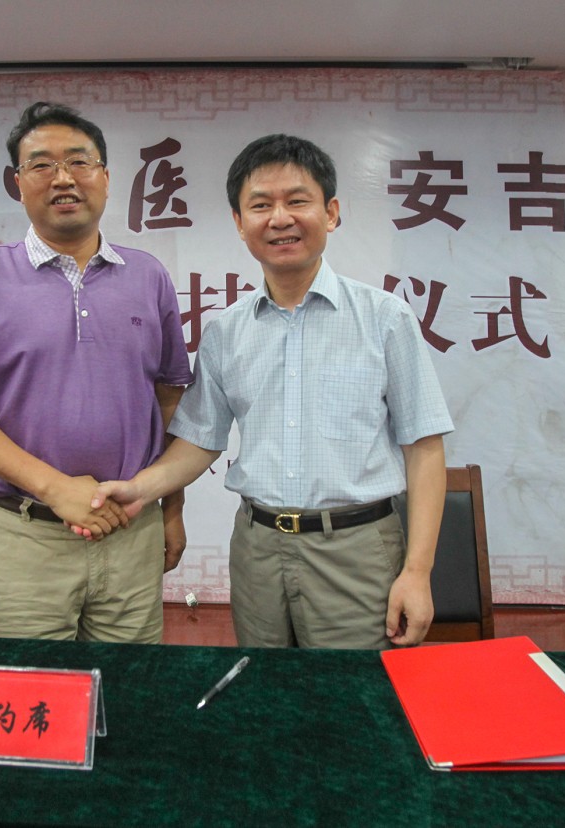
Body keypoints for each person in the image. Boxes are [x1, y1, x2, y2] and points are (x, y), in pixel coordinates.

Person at [86, 134, 453, 649]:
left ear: (331, 213)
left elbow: (425, 449)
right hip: (258, 551)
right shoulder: (225, 332)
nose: (280, 218)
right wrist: (140, 489)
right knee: (265, 690)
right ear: (240, 223)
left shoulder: (385, 319)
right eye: (260, 205)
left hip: (356, 552)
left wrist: (417, 572)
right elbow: (198, 442)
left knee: (357, 692)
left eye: (297, 201)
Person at [0, 101, 194, 643]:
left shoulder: (149, 277)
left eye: (79, 162)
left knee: (131, 687)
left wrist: (171, 509)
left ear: (105, 176)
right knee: (30, 688)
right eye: (41, 165)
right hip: (24, 535)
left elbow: (168, 402)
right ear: (18, 183)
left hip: (131, 533)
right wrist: (56, 489)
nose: (63, 178)